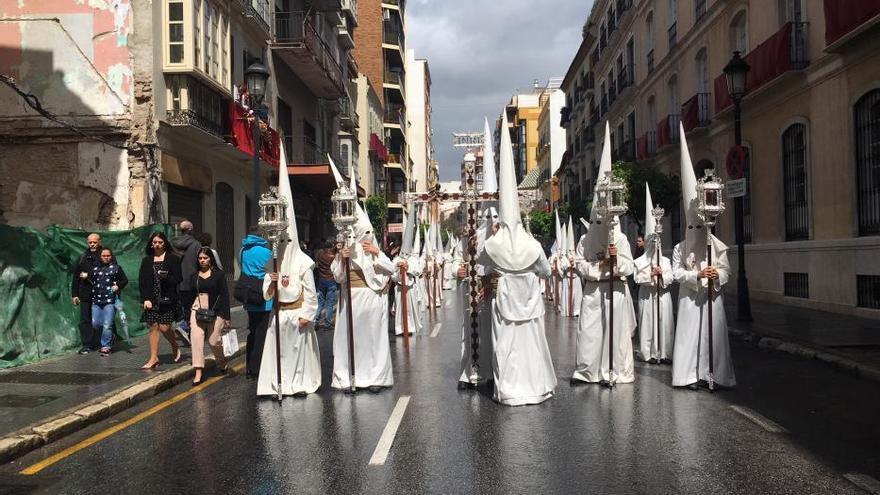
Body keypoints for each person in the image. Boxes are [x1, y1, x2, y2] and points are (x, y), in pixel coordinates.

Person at [477, 111, 556, 406]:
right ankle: (535, 387)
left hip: (505, 305)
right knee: (532, 345)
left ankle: (508, 390)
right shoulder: (533, 244)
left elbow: (480, 266)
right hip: (530, 305)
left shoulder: (494, 244)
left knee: (505, 346)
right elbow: (546, 272)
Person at [571, 123, 637, 387]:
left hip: (616, 293)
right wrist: (600, 267)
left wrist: (616, 262)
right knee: (589, 333)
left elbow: (630, 267)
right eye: (597, 219)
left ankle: (615, 370)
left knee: (615, 335)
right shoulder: (585, 240)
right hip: (593, 291)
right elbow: (579, 264)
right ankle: (587, 371)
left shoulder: (620, 239)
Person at [672, 123, 736, 390]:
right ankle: (688, 375)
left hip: (711, 298)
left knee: (714, 338)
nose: (696, 232)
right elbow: (676, 272)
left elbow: (726, 271)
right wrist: (696, 274)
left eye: (699, 227)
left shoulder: (715, 244)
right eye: (692, 228)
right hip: (689, 299)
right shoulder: (679, 248)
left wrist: (715, 275)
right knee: (689, 337)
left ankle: (715, 373)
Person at [257, 158, 321, 397]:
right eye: (281, 240)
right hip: (279, 312)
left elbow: (311, 292)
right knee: (280, 352)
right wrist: (272, 283)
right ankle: (278, 383)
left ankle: (299, 384)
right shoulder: (271, 261)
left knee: (297, 351)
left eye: (288, 240)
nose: (284, 244)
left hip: (297, 314)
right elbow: (267, 291)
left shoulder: (304, 262)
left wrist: (307, 314)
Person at [330, 198, 396, 393]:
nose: (368, 236)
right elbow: (339, 277)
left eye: (370, 233)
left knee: (373, 338)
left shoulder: (373, 251)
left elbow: (390, 269)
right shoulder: (346, 251)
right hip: (350, 299)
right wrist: (343, 259)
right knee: (352, 338)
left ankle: (377, 377)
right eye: (365, 233)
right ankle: (351, 376)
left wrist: (377, 253)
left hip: (371, 300)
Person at [633, 185, 674, 364]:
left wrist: (662, 274)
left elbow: (671, 277)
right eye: (652, 242)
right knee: (648, 323)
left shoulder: (665, 261)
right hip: (647, 297)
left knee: (664, 324)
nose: (654, 246)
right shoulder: (639, 261)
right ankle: (648, 352)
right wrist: (650, 274)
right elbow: (637, 278)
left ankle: (664, 353)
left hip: (662, 296)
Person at [138, 232, 183, 369]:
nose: (157, 245)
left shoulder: (173, 259)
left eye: (160, 242)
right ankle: (153, 357)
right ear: (151, 244)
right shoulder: (146, 260)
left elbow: (178, 279)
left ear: (165, 244)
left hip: (167, 298)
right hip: (151, 299)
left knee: (164, 327)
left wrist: (166, 277)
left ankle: (174, 344)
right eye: (155, 242)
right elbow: (142, 282)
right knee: (153, 326)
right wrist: (145, 298)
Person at [189, 248, 230, 385]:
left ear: (211, 259)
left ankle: (221, 361)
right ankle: (198, 371)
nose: (202, 260)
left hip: (215, 310)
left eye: (205, 258)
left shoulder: (219, 275)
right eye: (200, 258)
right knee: (196, 340)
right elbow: (189, 294)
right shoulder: (194, 276)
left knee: (214, 341)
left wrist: (226, 316)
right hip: (197, 309)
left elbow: (224, 295)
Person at [240, 227, 272, 378]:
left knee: (252, 332)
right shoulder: (267, 252)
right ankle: (258, 367)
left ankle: (249, 367)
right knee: (262, 333)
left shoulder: (243, 251)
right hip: (264, 296)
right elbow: (271, 271)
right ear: (262, 235)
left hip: (249, 295)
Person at [89, 247, 128, 356]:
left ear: (111, 256)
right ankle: (111, 336)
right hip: (96, 300)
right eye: (103, 256)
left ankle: (106, 346)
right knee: (95, 323)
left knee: (107, 325)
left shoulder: (116, 268)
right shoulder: (95, 269)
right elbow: (90, 281)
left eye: (108, 256)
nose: (106, 258)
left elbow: (125, 280)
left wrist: (118, 286)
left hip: (110, 301)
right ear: (100, 257)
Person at [71, 233, 103, 354]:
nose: (92, 244)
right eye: (90, 242)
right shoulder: (83, 257)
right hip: (85, 293)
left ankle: (102, 343)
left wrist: (89, 275)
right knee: (85, 319)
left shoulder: (105, 255)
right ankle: (87, 345)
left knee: (100, 319)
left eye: (94, 242)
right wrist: (74, 294)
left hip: (101, 293)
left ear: (99, 241)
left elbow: (109, 272)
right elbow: (76, 277)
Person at [171, 220, 201, 345]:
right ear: (190, 230)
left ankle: (183, 326)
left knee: (181, 306)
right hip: (191, 281)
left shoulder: (172, 243)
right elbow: (199, 263)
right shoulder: (196, 244)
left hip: (176, 281)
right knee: (193, 307)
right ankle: (185, 327)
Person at [314, 239, 338, 330]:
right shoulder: (333, 256)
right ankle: (327, 324)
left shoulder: (320, 253)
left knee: (320, 303)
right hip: (331, 281)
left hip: (321, 280)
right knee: (330, 304)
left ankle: (316, 322)